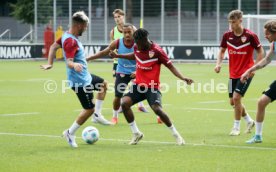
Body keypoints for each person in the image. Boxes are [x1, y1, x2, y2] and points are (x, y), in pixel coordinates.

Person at [109, 28, 194, 145]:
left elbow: (171, 67)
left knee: (157, 109)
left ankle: (176, 135)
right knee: (124, 103)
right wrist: (119, 56)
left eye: (138, 43)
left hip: (152, 87)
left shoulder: (157, 51)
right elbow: (135, 55)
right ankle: (136, 133)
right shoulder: (136, 47)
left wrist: (183, 78)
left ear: (145, 40)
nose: (136, 46)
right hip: (138, 85)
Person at [40, 11, 112, 148]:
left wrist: (50, 63)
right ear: (79, 25)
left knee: (103, 84)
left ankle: (97, 115)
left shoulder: (66, 36)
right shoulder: (70, 41)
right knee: (88, 109)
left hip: (87, 77)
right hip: (80, 82)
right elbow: (69, 62)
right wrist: (74, 64)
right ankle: (70, 133)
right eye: (85, 26)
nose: (86, 28)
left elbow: (53, 47)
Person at [214, 9, 264, 136]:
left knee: (236, 98)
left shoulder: (250, 36)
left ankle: (236, 127)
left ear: (240, 21)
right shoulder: (227, 35)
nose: (231, 25)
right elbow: (221, 51)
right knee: (233, 101)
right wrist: (218, 64)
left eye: (234, 22)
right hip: (233, 74)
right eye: (230, 22)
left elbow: (260, 52)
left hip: (245, 73)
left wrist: (254, 68)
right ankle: (249, 120)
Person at [241, 20, 276, 143]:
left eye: (268, 34)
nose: (265, 36)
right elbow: (266, 60)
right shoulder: (274, 45)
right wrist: (249, 71)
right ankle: (258, 136)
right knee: (262, 102)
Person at [110, 9, 149, 114]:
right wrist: (113, 54)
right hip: (118, 62)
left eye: (119, 17)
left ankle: (139, 105)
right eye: (115, 17)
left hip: (133, 62)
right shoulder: (113, 31)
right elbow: (112, 47)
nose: (117, 19)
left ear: (123, 17)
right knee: (118, 86)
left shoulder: (132, 28)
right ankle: (121, 106)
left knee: (137, 84)